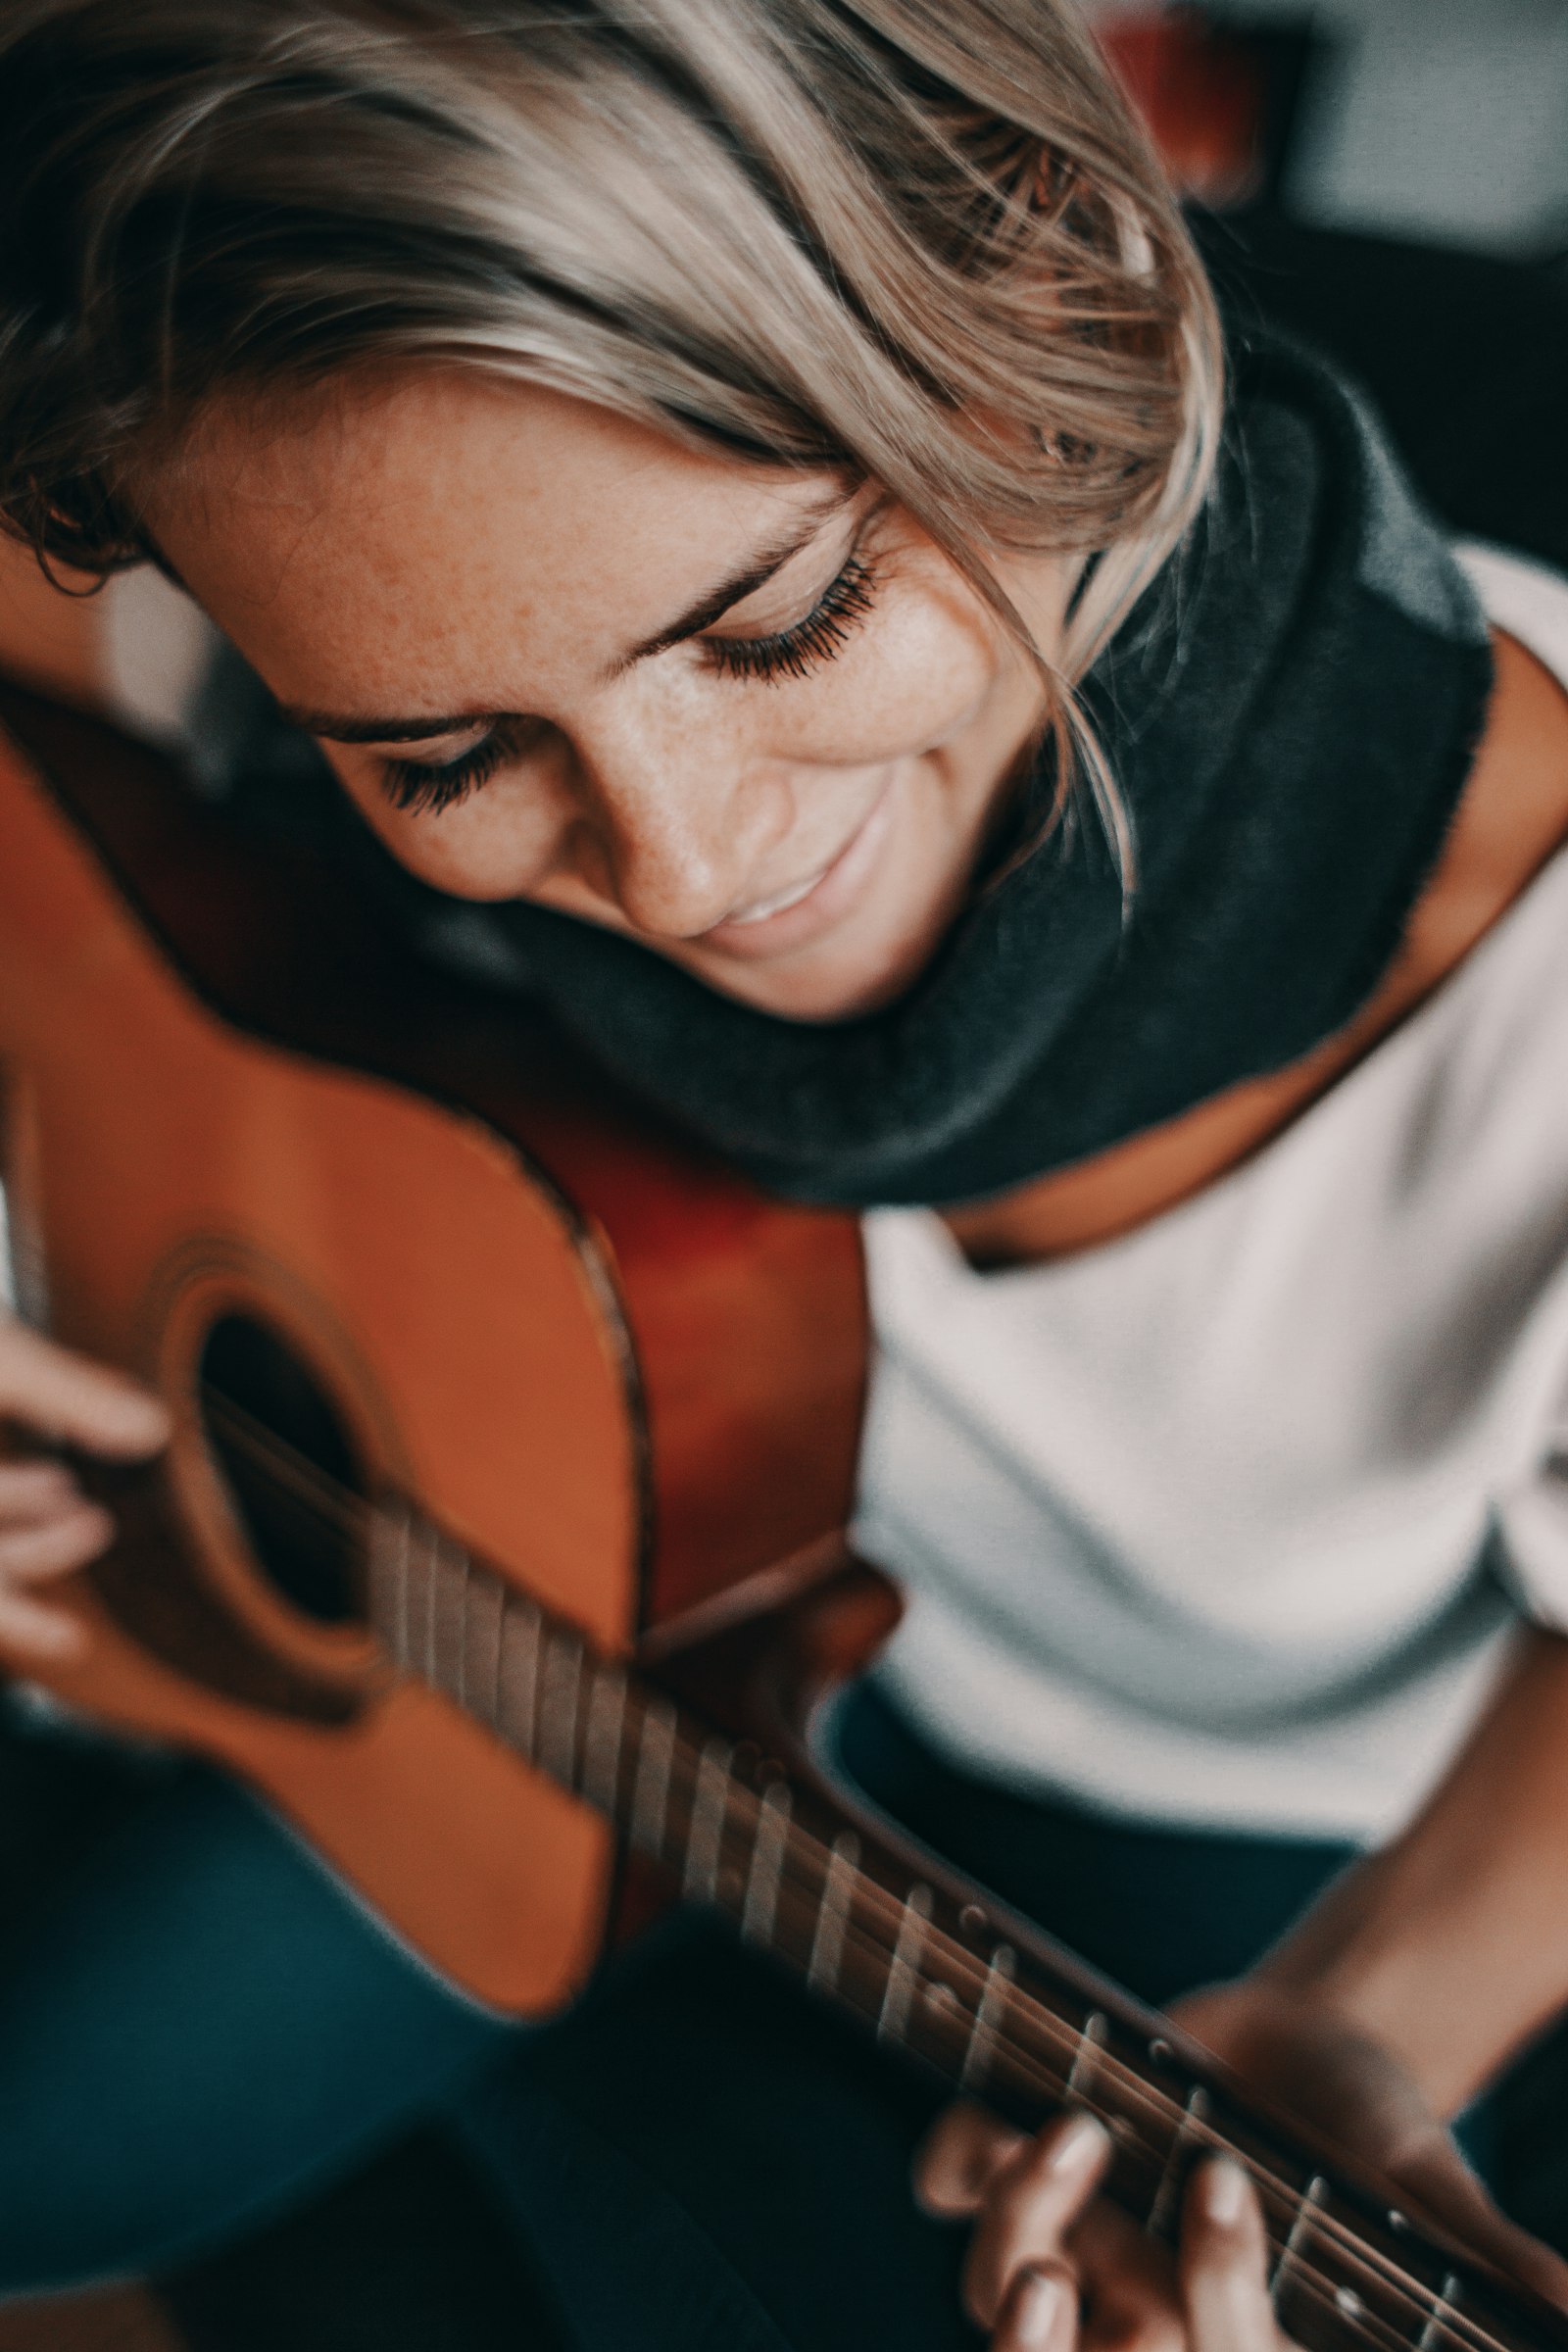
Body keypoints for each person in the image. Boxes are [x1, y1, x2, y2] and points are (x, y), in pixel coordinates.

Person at [4, 4, 1568, 2347]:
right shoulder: (294, 581)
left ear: (1054, 309)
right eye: (442, 754)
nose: (683, 861)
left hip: (1159, 1835)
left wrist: (1364, 2024)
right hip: (541, 1587)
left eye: (782, 617)